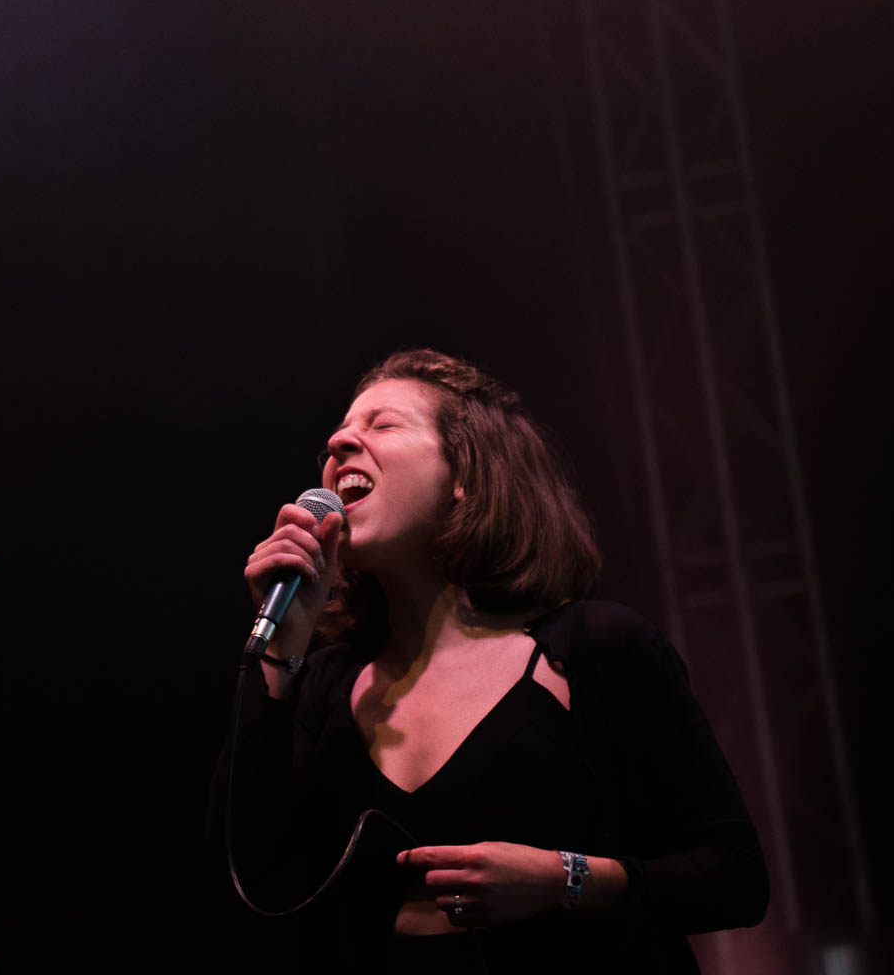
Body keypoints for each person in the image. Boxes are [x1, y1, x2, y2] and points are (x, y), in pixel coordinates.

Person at [219, 349, 767, 973]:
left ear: (466, 475)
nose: (339, 440)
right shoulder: (322, 686)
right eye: (341, 431)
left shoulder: (596, 649)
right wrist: (285, 646)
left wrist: (564, 879)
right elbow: (247, 877)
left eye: (382, 425)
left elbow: (736, 877)